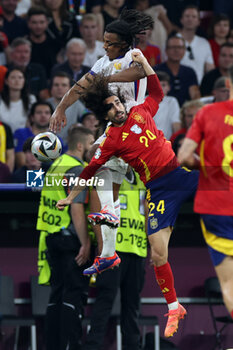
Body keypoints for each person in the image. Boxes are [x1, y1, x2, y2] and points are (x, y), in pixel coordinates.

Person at [56, 52, 198, 338]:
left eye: (118, 102)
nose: (118, 108)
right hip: (158, 192)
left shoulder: (140, 111)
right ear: (104, 115)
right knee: (158, 255)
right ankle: (174, 307)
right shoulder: (109, 142)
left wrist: (145, 65)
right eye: (111, 107)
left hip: (179, 177)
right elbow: (89, 171)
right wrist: (71, 198)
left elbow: (156, 91)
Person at [50, 8, 153, 275]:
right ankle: (108, 253)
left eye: (110, 43)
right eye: (104, 41)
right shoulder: (102, 62)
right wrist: (60, 108)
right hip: (117, 126)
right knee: (108, 189)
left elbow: (139, 73)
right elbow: (80, 85)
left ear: (123, 44)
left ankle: (108, 239)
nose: (104, 46)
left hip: (135, 125)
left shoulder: (133, 55)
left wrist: (105, 79)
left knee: (96, 156)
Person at [177, 65, 233, 319]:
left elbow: (183, 156)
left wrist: (209, 166)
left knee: (229, 281)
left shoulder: (207, 113)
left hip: (216, 207)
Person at [36, 125, 95, 350]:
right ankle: (72, 345)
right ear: (80, 145)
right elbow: (76, 209)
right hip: (71, 241)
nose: (92, 149)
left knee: (56, 295)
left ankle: (53, 345)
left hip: (51, 238)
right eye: (91, 144)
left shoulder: (54, 166)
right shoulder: (77, 170)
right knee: (74, 295)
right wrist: (85, 243)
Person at [83, 168, 147, 350]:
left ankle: (132, 346)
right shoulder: (108, 175)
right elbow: (95, 208)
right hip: (113, 249)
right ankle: (92, 346)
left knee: (132, 305)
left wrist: (155, 245)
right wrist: (102, 244)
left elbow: (150, 213)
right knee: (105, 302)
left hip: (137, 249)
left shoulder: (144, 179)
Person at [156, 35, 200, 106]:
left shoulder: (189, 72)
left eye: (179, 47)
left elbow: (195, 96)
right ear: (166, 50)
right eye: (173, 47)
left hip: (184, 112)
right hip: (161, 110)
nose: (176, 50)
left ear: (184, 50)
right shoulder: (156, 70)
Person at [47, 71, 86, 147]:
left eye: (64, 85)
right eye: (56, 85)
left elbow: (87, 118)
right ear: (51, 88)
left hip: (70, 145)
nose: (59, 88)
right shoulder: (45, 105)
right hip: (49, 144)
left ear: (69, 88)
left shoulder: (77, 104)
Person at [178, 5, 215, 84]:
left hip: (199, 88)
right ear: (181, 20)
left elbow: (210, 70)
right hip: (177, 87)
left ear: (199, 21)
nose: (190, 19)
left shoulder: (204, 43)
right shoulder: (172, 41)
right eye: (187, 16)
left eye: (194, 16)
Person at [14, 101, 54, 168]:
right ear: (32, 117)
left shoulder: (56, 139)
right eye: (39, 112)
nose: (43, 115)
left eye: (47, 113)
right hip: (25, 175)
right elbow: (21, 163)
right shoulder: (20, 133)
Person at [26, 6, 60, 79]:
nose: (38, 26)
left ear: (47, 23)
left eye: (42, 22)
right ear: (28, 23)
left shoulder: (55, 44)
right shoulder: (24, 45)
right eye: (34, 22)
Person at [0, 68, 36, 133]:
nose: (17, 80)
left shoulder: (31, 99)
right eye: (13, 77)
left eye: (20, 77)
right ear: (6, 81)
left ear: (24, 81)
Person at [153, 70, 181, 140]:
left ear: (169, 87)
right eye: (157, 85)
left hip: (166, 143)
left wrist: (176, 143)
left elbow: (176, 124)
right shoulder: (143, 100)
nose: (160, 88)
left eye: (163, 85)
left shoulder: (171, 101)